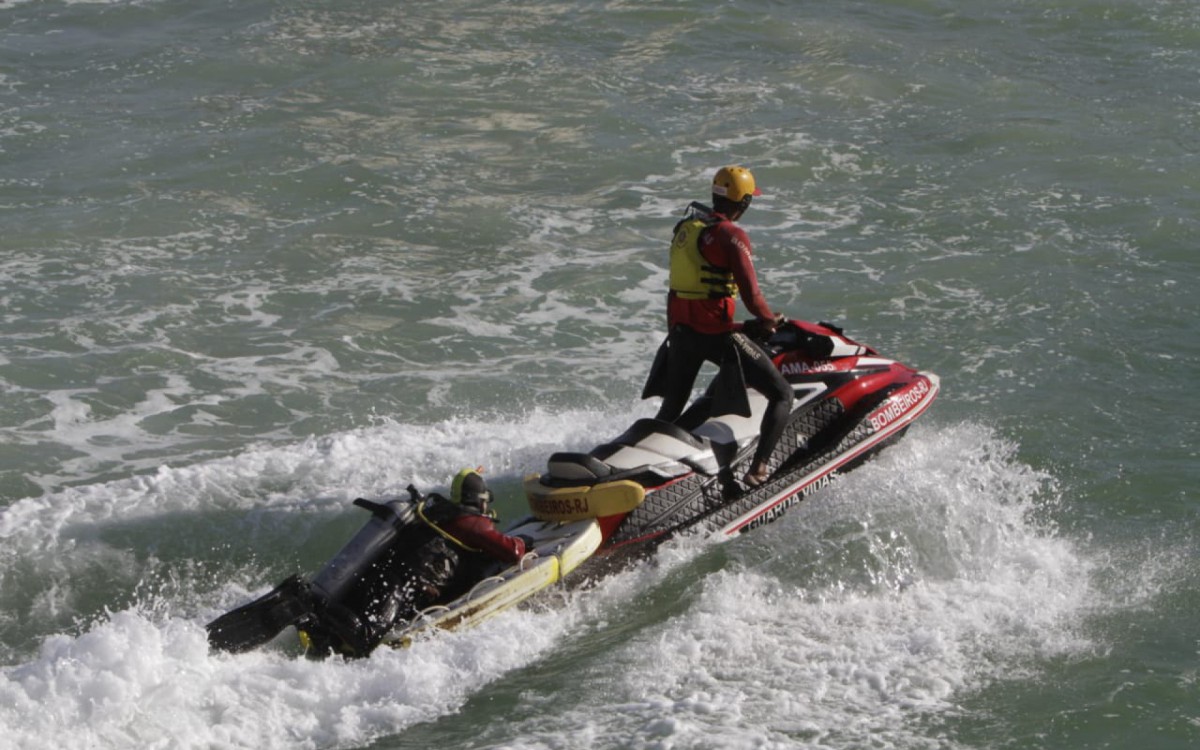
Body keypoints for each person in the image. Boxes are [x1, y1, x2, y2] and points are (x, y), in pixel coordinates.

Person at [642, 165, 794, 488]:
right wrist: (768, 320)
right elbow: (752, 296)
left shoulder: (687, 228)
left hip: (682, 334)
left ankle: (637, 462)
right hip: (716, 337)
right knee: (782, 393)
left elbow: (677, 290)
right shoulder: (731, 235)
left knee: (670, 411)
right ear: (745, 202)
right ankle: (759, 470)